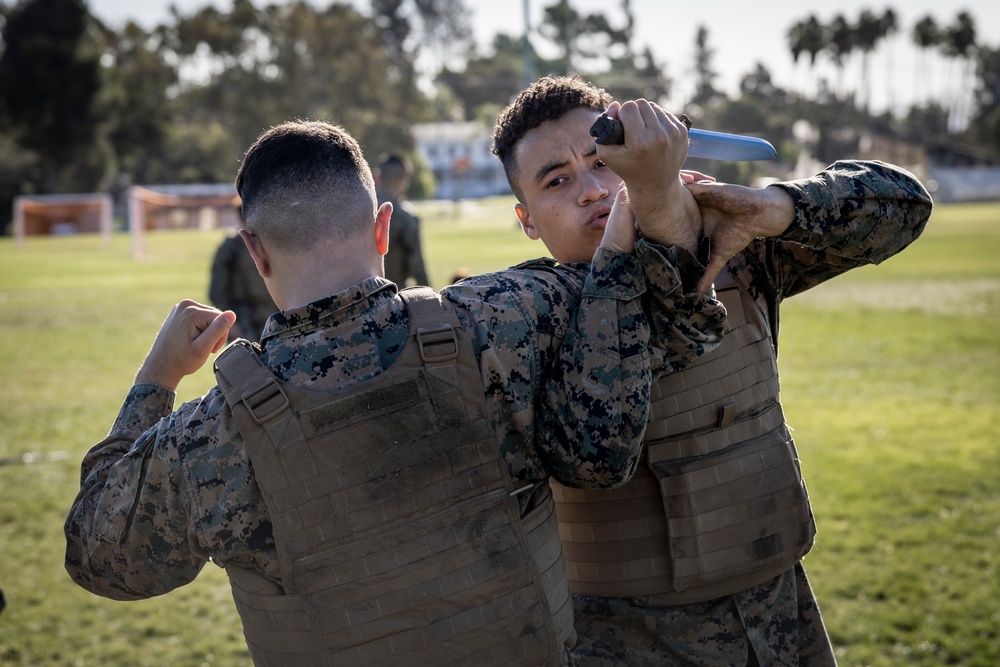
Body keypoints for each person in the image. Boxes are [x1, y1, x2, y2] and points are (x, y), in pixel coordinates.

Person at [64, 119, 727, 665]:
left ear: (255, 253)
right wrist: (637, 213)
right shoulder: (510, 314)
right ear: (383, 228)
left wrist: (157, 379)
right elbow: (673, 321)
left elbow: (100, 555)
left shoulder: (211, 436)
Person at [492, 76, 934, 666]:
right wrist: (633, 247)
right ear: (527, 220)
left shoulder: (731, 250)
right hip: (627, 643)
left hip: (781, 616)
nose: (594, 190)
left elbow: (904, 204)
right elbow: (591, 458)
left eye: (604, 162)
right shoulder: (523, 314)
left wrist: (774, 208)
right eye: (558, 180)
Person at [208, 205, 277, 341]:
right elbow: (218, 292)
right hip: (245, 321)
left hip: (273, 318)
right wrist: (232, 326)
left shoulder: (274, 242)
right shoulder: (231, 248)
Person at [376, 152, 429, 286]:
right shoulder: (405, 216)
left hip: (362, 296)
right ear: (402, 179)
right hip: (393, 295)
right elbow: (416, 263)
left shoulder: (362, 208)